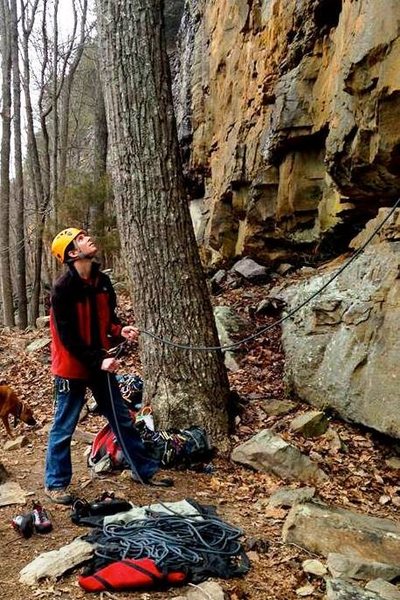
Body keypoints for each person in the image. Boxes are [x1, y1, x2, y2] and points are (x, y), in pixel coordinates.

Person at [45, 227, 170, 505]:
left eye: (86, 234)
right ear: (73, 254)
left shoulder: (102, 282)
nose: (88, 237)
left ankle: (143, 469)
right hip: (72, 368)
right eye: (80, 238)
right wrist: (99, 359)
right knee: (64, 427)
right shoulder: (62, 290)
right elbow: (67, 337)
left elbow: (107, 320)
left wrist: (120, 330)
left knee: (122, 419)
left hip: (99, 365)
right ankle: (56, 484)